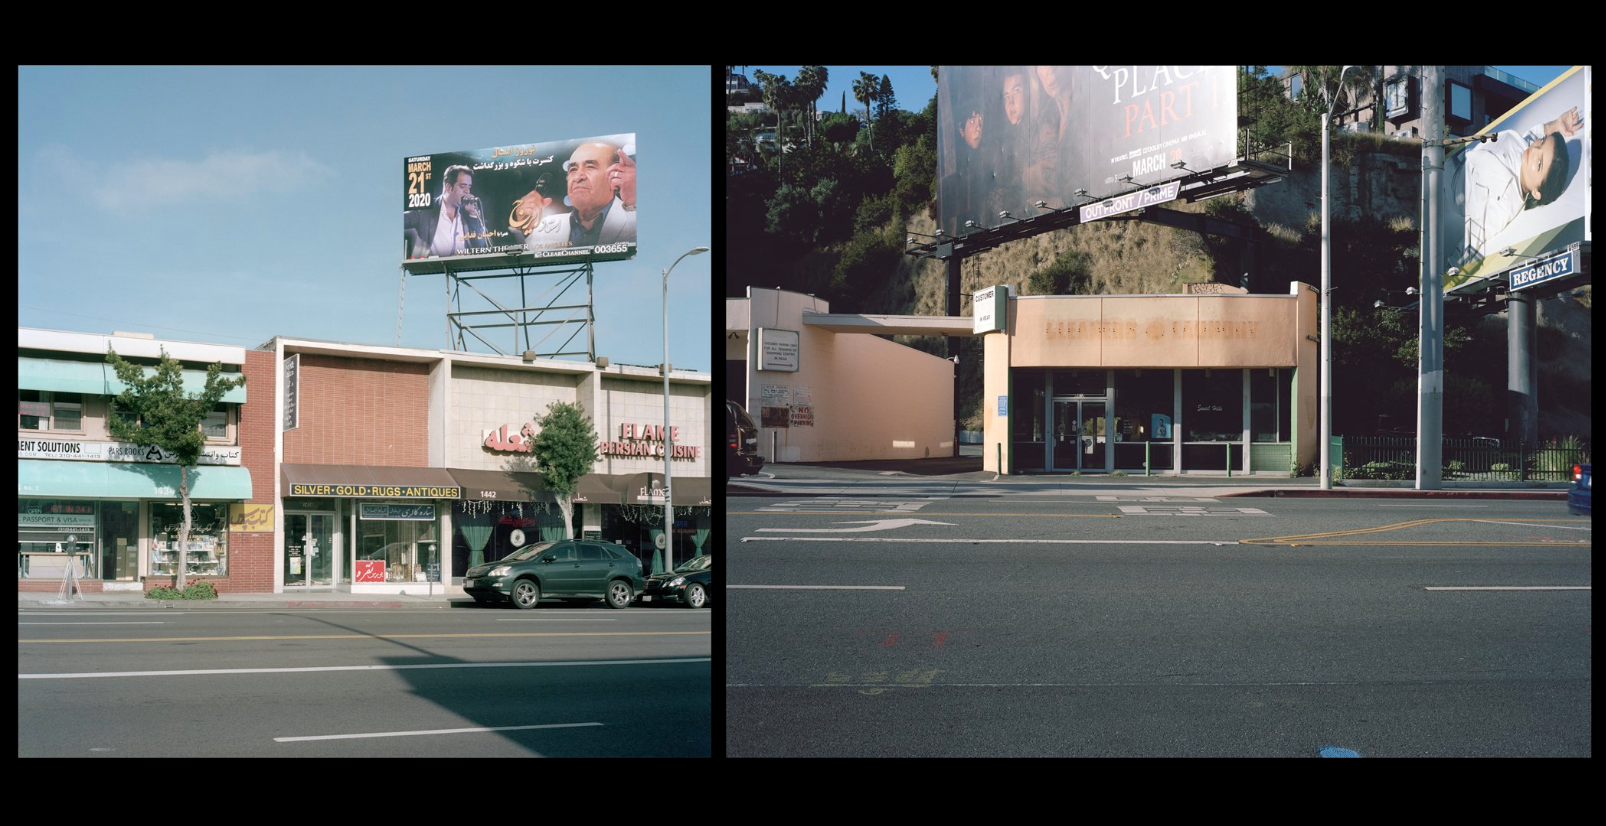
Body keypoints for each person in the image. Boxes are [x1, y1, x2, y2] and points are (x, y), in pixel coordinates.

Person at [1461, 106, 1580, 255]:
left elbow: (1476, 233)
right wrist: (1556, 124)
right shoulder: (1525, 146)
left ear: (1536, 192)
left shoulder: (1506, 202)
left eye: (1539, 164)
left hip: (1447, 186)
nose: (1535, 150)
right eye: (1541, 143)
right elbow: (1535, 133)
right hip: (1451, 159)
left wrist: (1445, 270)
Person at [523, 141, 638, 249]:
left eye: (590, 167)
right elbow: (524, 252)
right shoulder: (544, 226)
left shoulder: (632, 218)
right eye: (573, 169)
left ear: (615, 174)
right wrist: (523, 222)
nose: (578, 177)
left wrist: (632, 201)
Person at [405, 165, 490, 259]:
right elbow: (401, 221)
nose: (468, 191)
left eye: (469, 187)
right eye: (463, 186)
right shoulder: (426, 210)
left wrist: (472, 214)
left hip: (462, 267)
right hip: (432, 267)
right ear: (448, 187)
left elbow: (480, 246)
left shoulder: (467, 213)